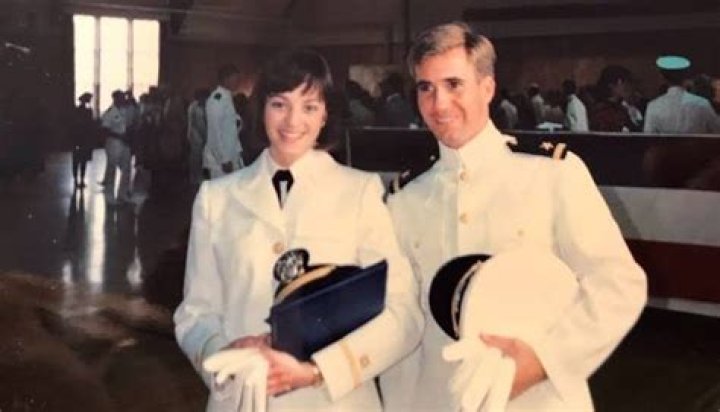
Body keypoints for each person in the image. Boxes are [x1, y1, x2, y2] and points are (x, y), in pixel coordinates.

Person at [382, 22, 647, 411]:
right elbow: (404, 324)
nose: (439, 104)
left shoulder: (550, 174)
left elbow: (618, 284)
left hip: (537, 400)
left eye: (454, 84)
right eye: (426, 88)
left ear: (487, 87)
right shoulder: (405, 198)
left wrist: (543, 362)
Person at [174, 49, 423, 411]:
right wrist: (224, 355)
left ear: (325, 114)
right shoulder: (217, 198)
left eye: (309, 106)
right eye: (279, 104)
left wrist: (321, 370)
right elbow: (194, 312)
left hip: (334, 401)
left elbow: (403, 313)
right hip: (245, 400)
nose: (293, 120)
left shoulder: (360, 192)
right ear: (262, 109)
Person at [644, 56, 720, 134]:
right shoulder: (702, 104)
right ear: (686, 76)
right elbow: (717, 131)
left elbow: (649, 136)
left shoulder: (653, 106)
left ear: (662, 78)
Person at [204, 64, 244, 179]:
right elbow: (214, 131)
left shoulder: (227, 97)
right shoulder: (217, 99)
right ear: (226, 79)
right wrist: (223, 159)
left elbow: (231, 127)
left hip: (231, 153)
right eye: (235, 79)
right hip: (221, 160)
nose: (238, 82)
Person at [99, 90, 132, 205]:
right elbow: (105, 130)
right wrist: (119, 136)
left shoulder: (124, 111)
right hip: (113, 142)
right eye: (121, 97)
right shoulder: (110, 112)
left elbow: (128, 125)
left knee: (126, 168)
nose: (123, 99)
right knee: (111, 169)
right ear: (115, 99)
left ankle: (123, 195)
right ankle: (109, 198)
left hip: (125, 142)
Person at [71, 92, 96, 189]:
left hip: (77, 139)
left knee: (76, 161)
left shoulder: (76, 111)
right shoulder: (88, 112)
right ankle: (81, 179)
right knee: (83, 161)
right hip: (84, 139)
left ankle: (76, 179)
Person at [187, 88, 209, 186]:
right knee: (196, 158)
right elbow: (191, 123)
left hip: (207, 134)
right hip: (196, 135)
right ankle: (194, 178)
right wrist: (193, 136)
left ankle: (203, 177)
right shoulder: (193, 107)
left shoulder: (209, 106)